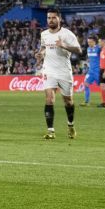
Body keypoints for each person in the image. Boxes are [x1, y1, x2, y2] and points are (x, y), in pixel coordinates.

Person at [37, 9, 81, 139]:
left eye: (53, 18)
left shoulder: (67, 34)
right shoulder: (44, 34)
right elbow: (44, 48)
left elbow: (78, 50)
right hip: (48, 70)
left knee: (68, 101)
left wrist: (64, 45)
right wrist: (40, 54)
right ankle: (51, 131)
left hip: (64, 72)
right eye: (49, 18)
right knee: (49, 99)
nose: (50, 20)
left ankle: (71, 125)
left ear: (59, 19)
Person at [81, 36, 100, 107]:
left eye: (90, 42)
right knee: (86, 84)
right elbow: (90, 59)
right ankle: (86, 101)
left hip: (97, 71)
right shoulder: (88, 49)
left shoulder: (98, 48)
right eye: (88, 42)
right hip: (90, 71)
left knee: (102, 86)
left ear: (94, 41)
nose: (89, 43)